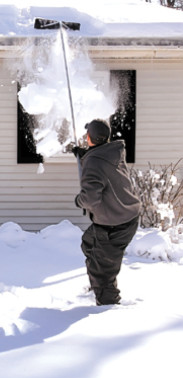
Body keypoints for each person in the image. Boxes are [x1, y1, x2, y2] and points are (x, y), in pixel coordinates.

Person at [73, 119, 141, 306]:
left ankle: (107, 307)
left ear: (89, 137)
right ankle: (99, 288)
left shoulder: (95, 162)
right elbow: (101, 165)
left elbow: (90, 199)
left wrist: (79, 200)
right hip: (126, 216)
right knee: (89, 243)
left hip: (113, 225)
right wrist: (85, 156)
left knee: (102, 271)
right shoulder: (113, 151)